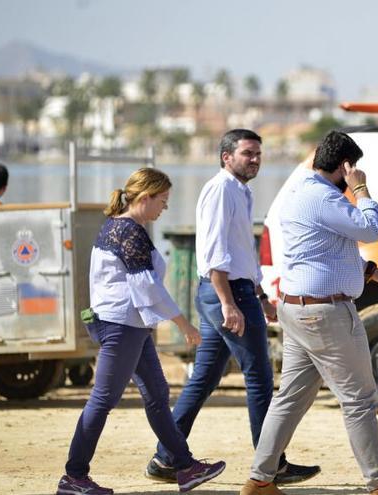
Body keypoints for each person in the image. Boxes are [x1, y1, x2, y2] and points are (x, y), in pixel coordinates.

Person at [241, 130, 378, 495]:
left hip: (297, 309)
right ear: (346, 166)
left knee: (290, 398)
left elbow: (326, 252)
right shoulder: (325, 197)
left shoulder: (298, 193)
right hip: (326, 314)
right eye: (353, 168)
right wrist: (361, 190)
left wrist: (374, 272)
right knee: (358, 398)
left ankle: (260, 478)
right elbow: (372, 230)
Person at [145, 129, 319, 485]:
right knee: (259, 379)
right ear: (227, 157)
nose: (254, 159)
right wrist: (230, 303)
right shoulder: (221, 190)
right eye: (247, 153)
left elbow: (241, 252)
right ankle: (272, 466)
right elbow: (214, 254)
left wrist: (260, 295)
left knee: (206, 378)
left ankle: (165, 458)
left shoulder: (240, 191)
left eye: (258, 153)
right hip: (226, 293)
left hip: (235, 292)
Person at [57, 168, 225, 495]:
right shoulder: (128, 231)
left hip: (130, 325)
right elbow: (146, 287)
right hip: (121, 326)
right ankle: (74, 476)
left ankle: (185, 466)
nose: (165, 207)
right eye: (162, 201)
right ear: (145, 198)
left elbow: (143, 288)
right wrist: (183, 323)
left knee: (158, 396)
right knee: (103, 400)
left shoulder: (124, 227)